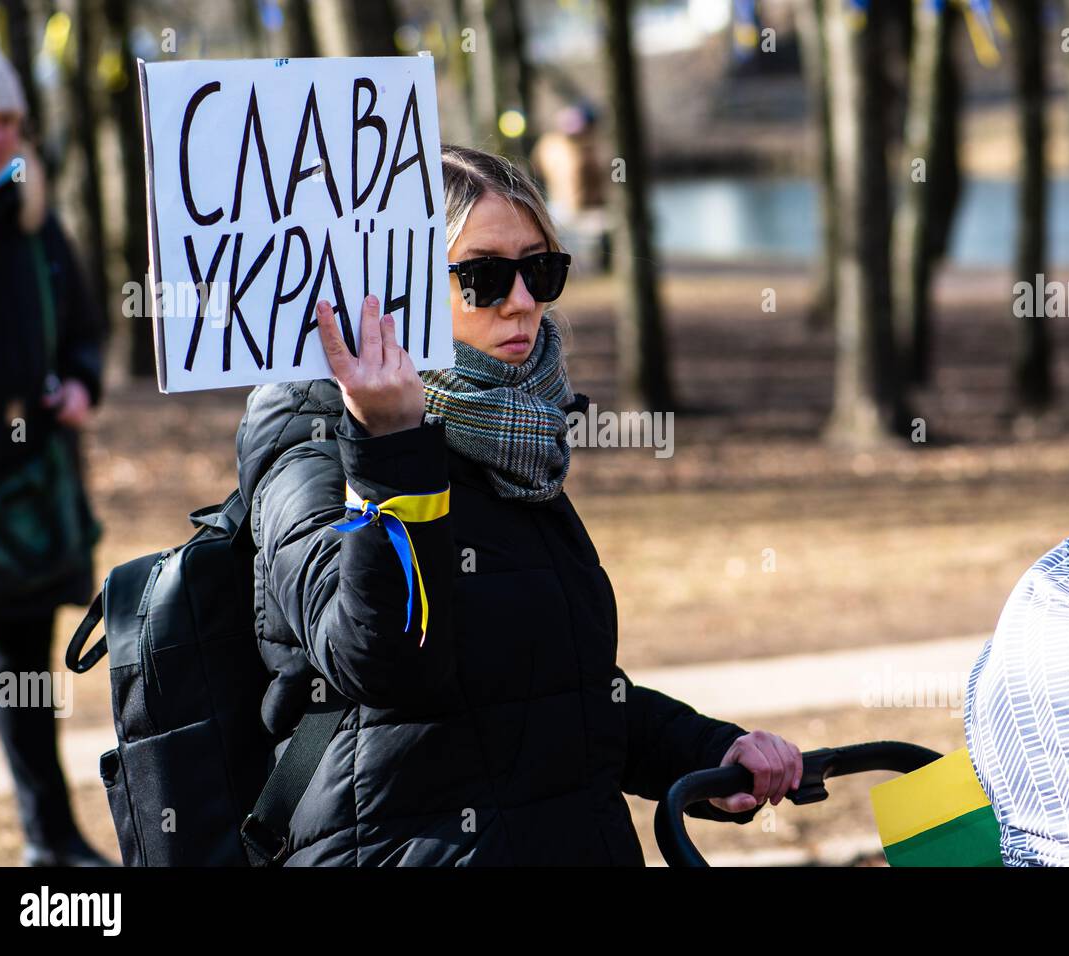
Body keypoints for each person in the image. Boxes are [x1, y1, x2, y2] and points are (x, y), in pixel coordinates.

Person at [235, 144, 804, 865]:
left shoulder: (516, 435)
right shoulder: (310, 434)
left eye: (541, 269)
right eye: (481, 277)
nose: (523, 300)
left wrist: (710, 749)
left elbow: (556, 694)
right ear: (392, 284)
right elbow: (382, 666)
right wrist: (389, 447)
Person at [0, 26, 109, 866]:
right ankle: (45, 837)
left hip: (44, 472)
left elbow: (86, 331)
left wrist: (83, 385)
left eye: (4, 120)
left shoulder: (39, 219)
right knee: (16, 656)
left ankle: (48, 836)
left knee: (26, 654)